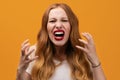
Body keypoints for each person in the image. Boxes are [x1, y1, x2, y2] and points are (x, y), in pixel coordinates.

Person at [16, 3, 106, 80]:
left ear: (71, 27)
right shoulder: (34, 53)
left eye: (64, 20)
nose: (58, 25)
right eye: (52, 21)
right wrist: (20, 69)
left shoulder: (84, 53)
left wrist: (95, 60)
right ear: (46, 28)